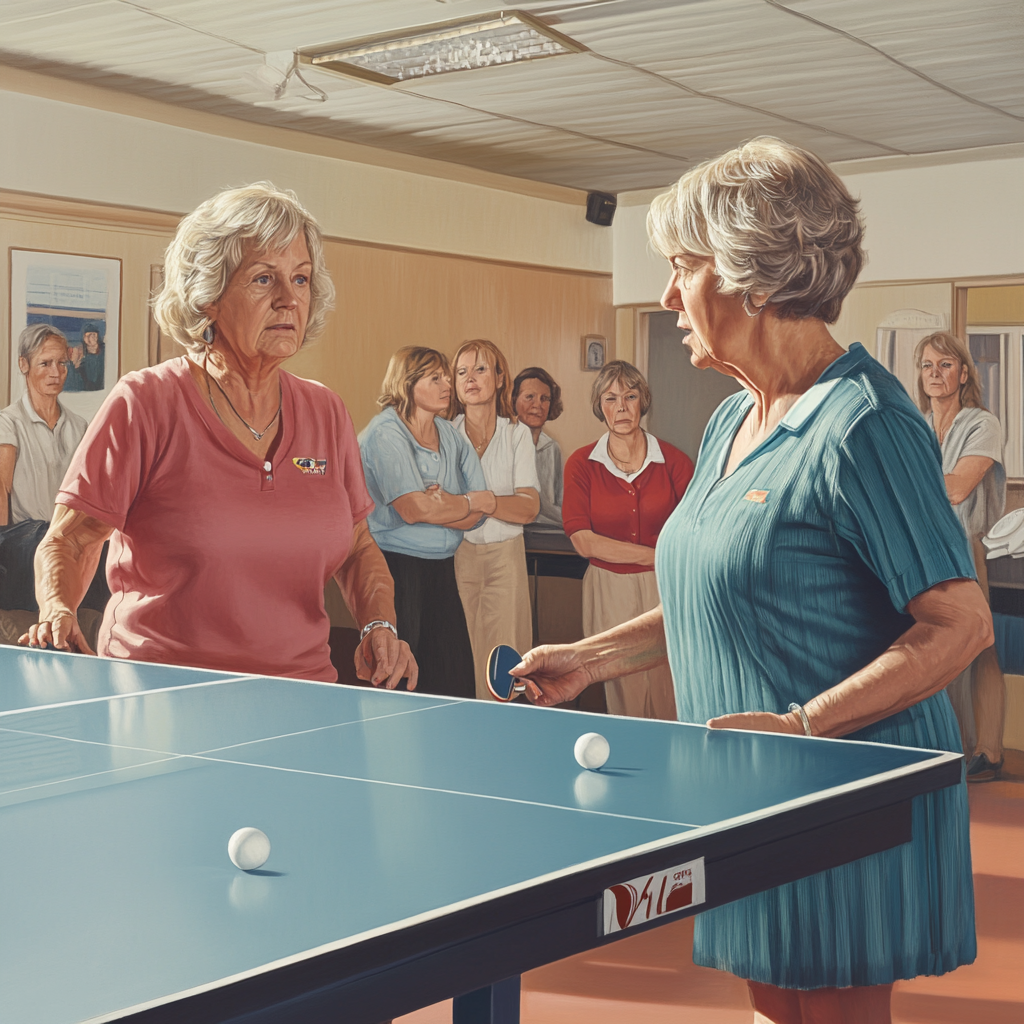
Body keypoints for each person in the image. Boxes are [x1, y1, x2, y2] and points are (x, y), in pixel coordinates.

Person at [512, 138, 989, 1024]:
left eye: (683, 267)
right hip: (749, 791)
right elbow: (715, 590)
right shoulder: (735, 413)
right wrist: (593, 655)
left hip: (848, 795)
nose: (666, 296)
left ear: (753, 279)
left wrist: (800, 728)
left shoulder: (867, 425)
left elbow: (961, 625)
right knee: (774, 1006)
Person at [21, 181, 415, 691]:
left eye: (300, 279)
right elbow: (70, 540)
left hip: (303, 698)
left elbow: (359, 545)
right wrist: (57, 608)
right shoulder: (146, 402)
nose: (288, 300)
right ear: (208, 295)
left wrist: (379, 624)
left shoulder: (326, 411)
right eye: (262, 279)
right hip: (160, 698)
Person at [562, 360, 693, 720]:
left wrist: (661, 563)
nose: (621, 407)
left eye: (630, 396)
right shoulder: (581, 464)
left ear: (642, 402)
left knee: (669, 686)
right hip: (608, 587)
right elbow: (585, 542)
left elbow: (696, 529)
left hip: (664, 587)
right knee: (623, 690)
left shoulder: (675, 462)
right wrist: (658, 555)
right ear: (599, 407)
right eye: (610, 398)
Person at [359, 346, 491, 698]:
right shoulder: (384, 432)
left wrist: (445, 504)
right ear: (408, 383)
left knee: (454, 679)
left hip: (442, 570)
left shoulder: (450, 434)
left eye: (447, 376)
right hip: (395, 571)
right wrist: (461, 503)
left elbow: (482, 510)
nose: (448, 384)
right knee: (397, 683)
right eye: (436, 378)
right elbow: (412, 510)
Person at [917, 330, 1007, 781]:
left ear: (963, 373)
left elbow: (956, 488)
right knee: (936, 649)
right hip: (921, 548)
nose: (936, 374)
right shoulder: (917, 424)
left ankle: (989, 750)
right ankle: (951, 748)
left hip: (963, 545)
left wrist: (906, 481)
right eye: (928, 366)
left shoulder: (980, 423)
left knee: (980, 646)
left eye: (946, 365)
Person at [452, 339, 539, 699]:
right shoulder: (444, 435)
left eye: (481, 369)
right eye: (462, 372)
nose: (470, 378)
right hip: (457, 558)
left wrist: (483, 502)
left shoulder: (517, 433)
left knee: (505, 661)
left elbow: (528, 507)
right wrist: (493, 503)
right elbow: (436, 505)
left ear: (501, 378)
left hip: (506, 558)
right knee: (460, 654)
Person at [0, 324, 88, 610]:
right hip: (24, 541)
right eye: (45, 363)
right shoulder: (7, 423)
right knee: (45, 536)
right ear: (23, 364)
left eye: (62, 363)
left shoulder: (79, 427)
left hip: (66, 539)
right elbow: (2, 492)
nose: (56, 372)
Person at [512, 366, 564, 531]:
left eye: (545, 399)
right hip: (515, 533)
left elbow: (559, 500)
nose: (538, 405)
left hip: (549, 532)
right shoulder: (505, 443)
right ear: (514, 400)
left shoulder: (551, 447)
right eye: (529, 397)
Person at [79, 323, 106, 391]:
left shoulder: (105, 354)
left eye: (94, 335)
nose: (91, 337)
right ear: (84, 338)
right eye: (88, 335)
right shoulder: (82, 355)